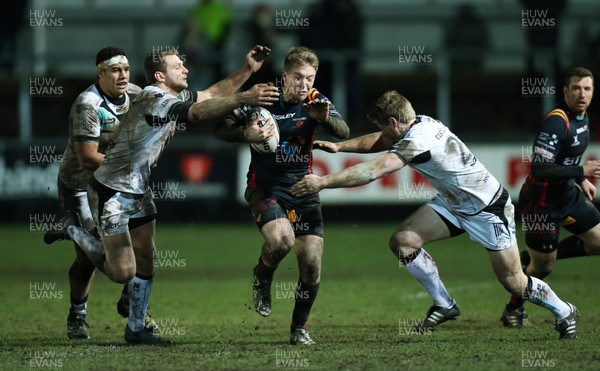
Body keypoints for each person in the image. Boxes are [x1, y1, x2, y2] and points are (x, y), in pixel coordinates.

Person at [290, 90, 580, 340]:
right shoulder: (421, 122)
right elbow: (382, 139)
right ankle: (444, 304)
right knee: (403, 241)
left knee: (513, 281)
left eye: (385, 127)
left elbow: (374, 170)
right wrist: (341, 146)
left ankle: (565, 311)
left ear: (394, 122)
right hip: (454, 204)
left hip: (487, 208)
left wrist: (323, 182)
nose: (384, 134)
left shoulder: (418, 140)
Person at [54, 45, 278, 344]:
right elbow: (197, 112)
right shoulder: (153, 98)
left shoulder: (163, 95)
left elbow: (211, 94)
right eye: (178, 66)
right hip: (111, 189)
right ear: (161, 75)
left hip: (138, 185)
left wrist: (248, 70)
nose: (185, 69)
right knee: (122, 272)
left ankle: (135, 328)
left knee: (147, 257)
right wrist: (245, 98)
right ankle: (71, 227)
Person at [214, 46, 349, 345]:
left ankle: (299, 328)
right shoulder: (263, 96)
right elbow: (220, 129)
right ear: (285, 75)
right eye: (298, 77)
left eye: (310, 79)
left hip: (303, 191)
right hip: (265, 188)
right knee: (281, 241)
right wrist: (244, 134)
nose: (304, 85)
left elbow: (343, 130)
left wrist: (324, 118)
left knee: (312, 265)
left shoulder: (316, 100)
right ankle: (263, 275)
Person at [43, 47, 156, 340]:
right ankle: (78, 314)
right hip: (81, 186)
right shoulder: (87, 104)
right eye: (115, 70)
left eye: (126, 69)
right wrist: (129, 162)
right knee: (87, 258)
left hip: (117, 184)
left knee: (139, 249)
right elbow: (87, 157)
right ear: (100, 72)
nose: (122, 75)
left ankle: (129, 301)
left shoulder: (136, 93)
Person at [500, 67, 600, 328]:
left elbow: (566, 157)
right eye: (576, 88)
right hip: (540, 204)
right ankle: (513, 309)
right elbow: (540, 167)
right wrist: (581, 171)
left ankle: (534, 257)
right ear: (566, 91)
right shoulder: (557, 121)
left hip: (568, 195)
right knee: (543, 269)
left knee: (599, 242)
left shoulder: (583, 117)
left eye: (587, 88)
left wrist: (581, 180)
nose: (582, 94)